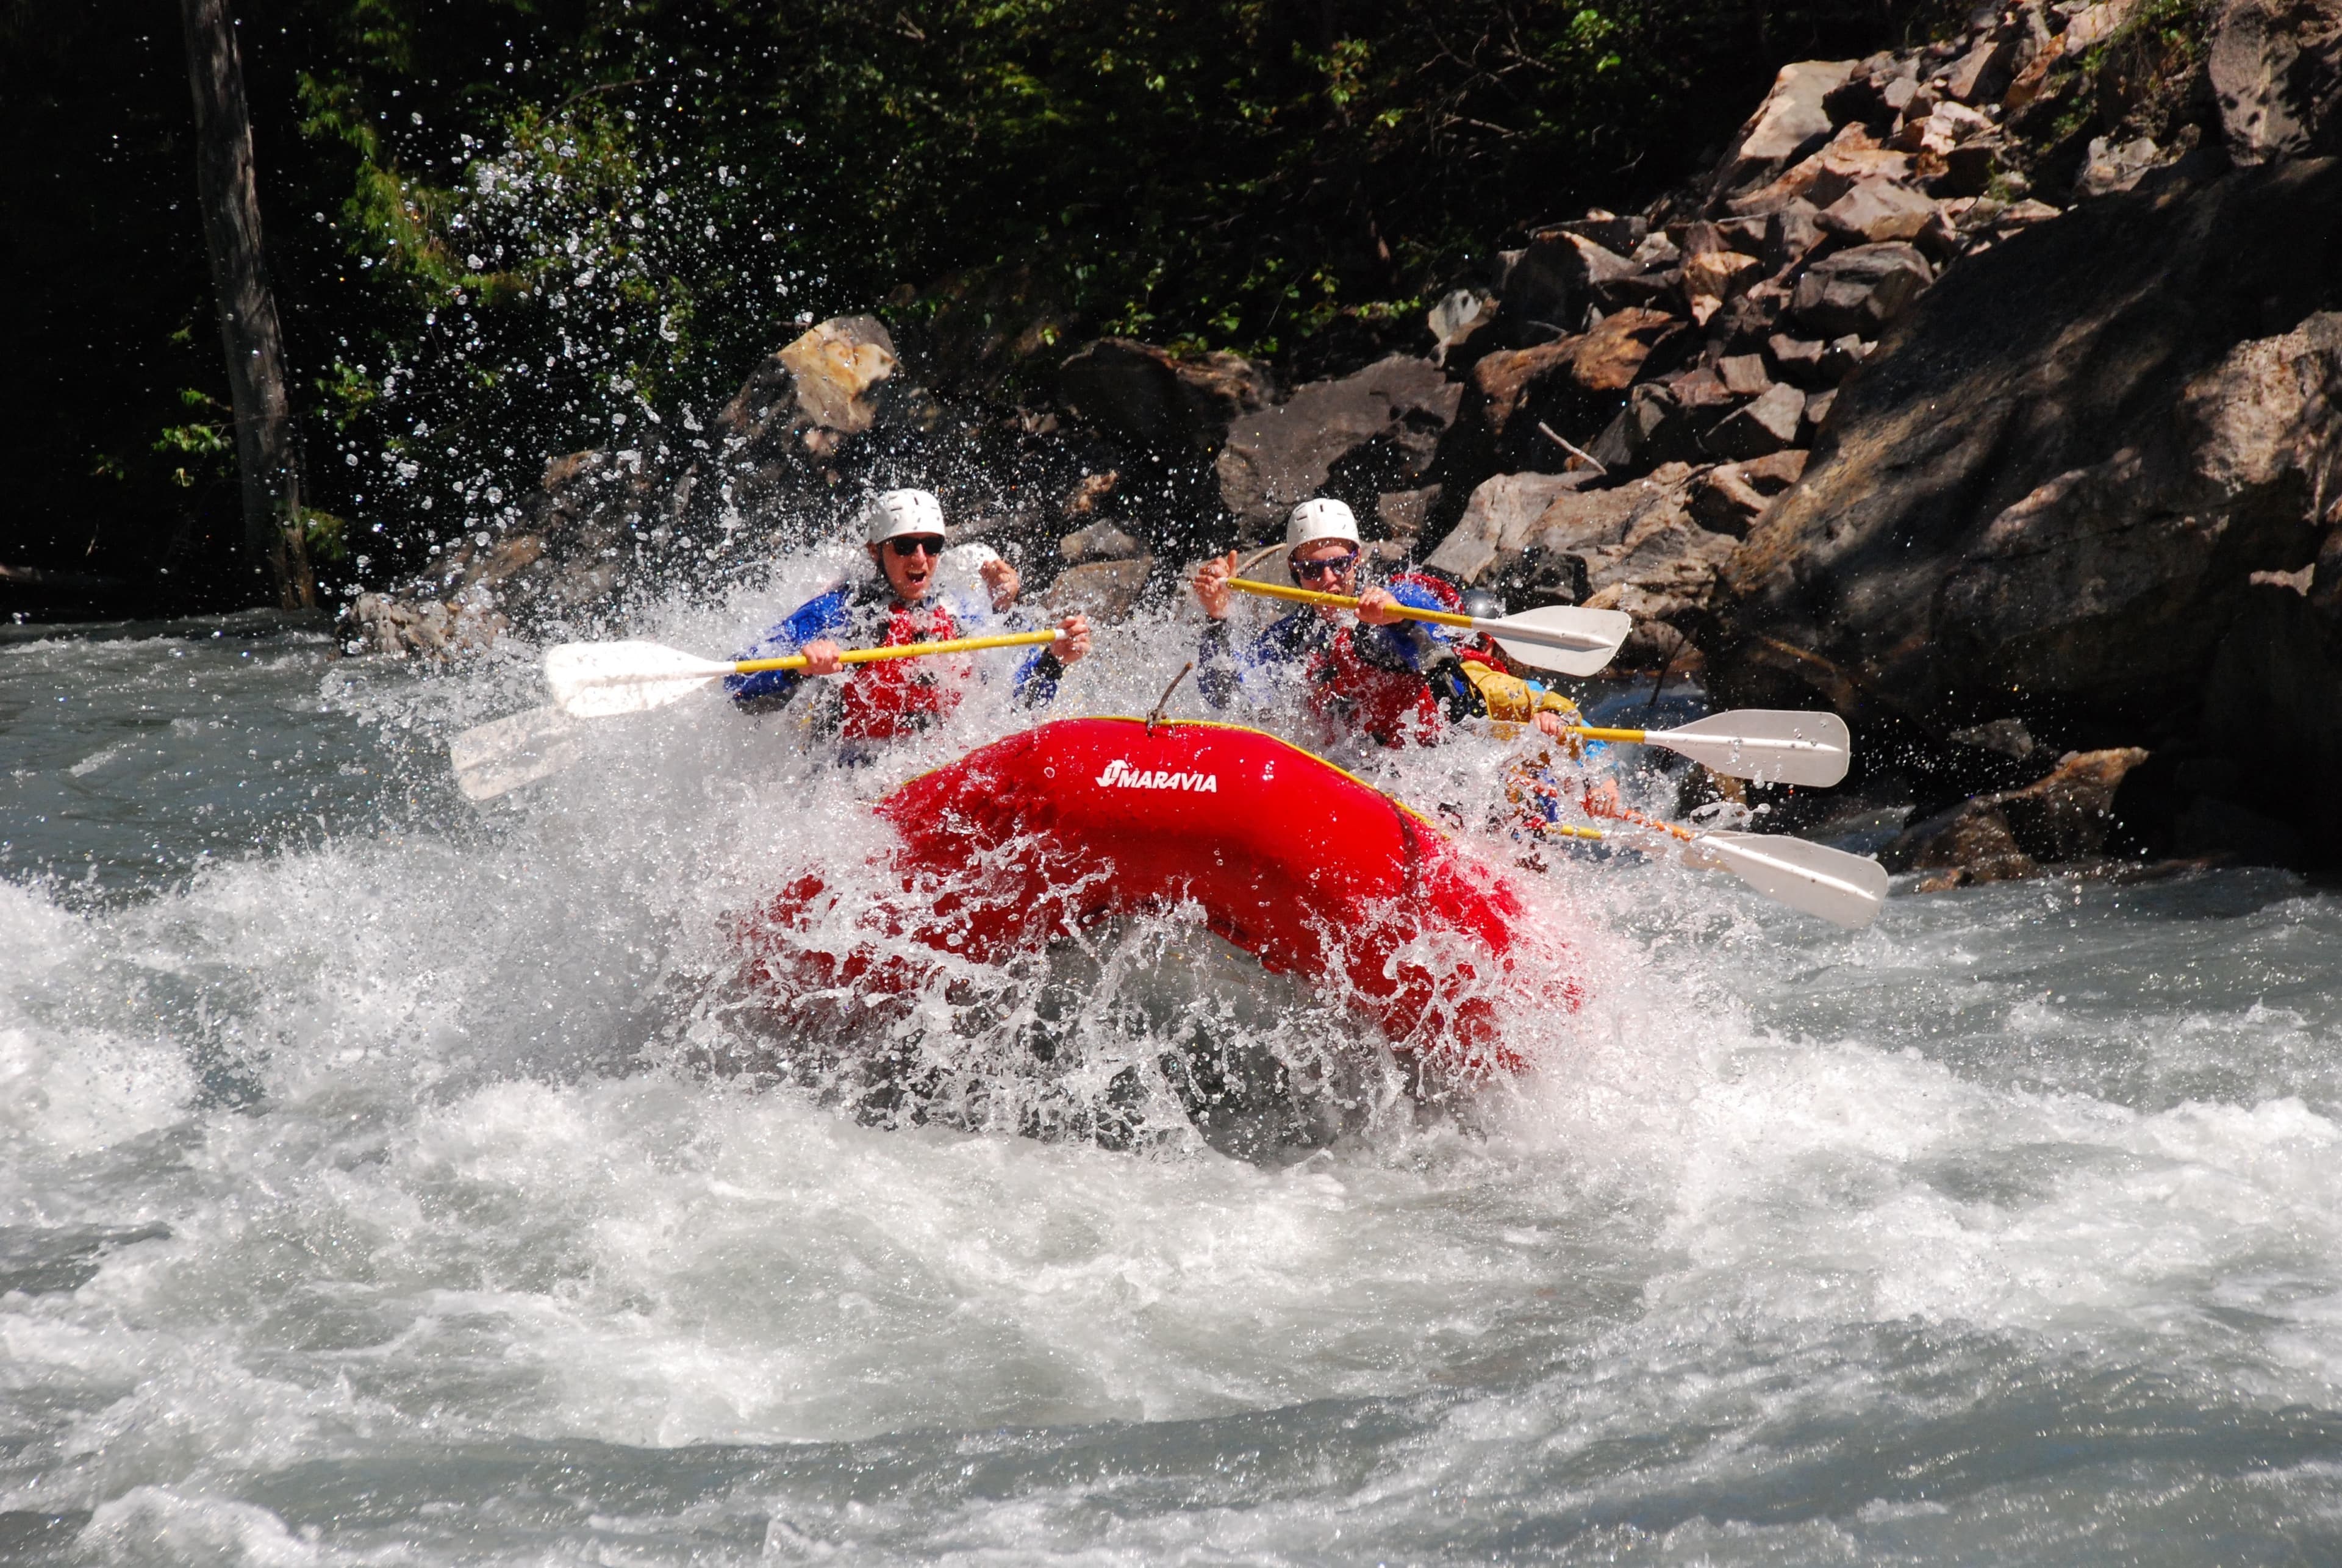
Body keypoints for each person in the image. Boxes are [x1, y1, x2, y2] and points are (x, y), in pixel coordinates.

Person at [1190, 498, 1589, 750]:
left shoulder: (1391, 599)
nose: (1328, 579)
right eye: (1313, 569)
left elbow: (1431, 628)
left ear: (1357, 559)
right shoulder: (1290, 636)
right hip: (1351, 766)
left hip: (1428, 762)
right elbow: (1226, 696)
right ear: (1295, 571)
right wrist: (1217, 617)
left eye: (1339, 565)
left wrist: (1396, 613)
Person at [728, 488, 1092, 747]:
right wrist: (798, 667)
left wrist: (1054, 662)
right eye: (904, 546)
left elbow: (1016, 709)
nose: (920, 558)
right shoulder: (841, 612)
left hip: (933, 764)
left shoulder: (957, 612)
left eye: (931, 546)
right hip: (844, 776)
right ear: (875, 551)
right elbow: (738, 685)